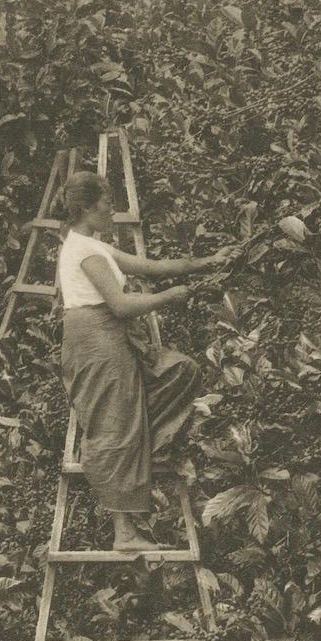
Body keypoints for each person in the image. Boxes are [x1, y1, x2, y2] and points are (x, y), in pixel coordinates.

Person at [56, 173, 231, 555]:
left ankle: (143, 443)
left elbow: (151, 267)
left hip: (110, 338)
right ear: (86, 207)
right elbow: (120, 306)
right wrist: (169, 297)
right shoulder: (83, 251)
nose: (113, 210)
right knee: (115, 424)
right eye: (107, 203)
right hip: (97, 341)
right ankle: (124, 531)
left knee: (179, 372)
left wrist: (207, 262)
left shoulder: (92, 245)